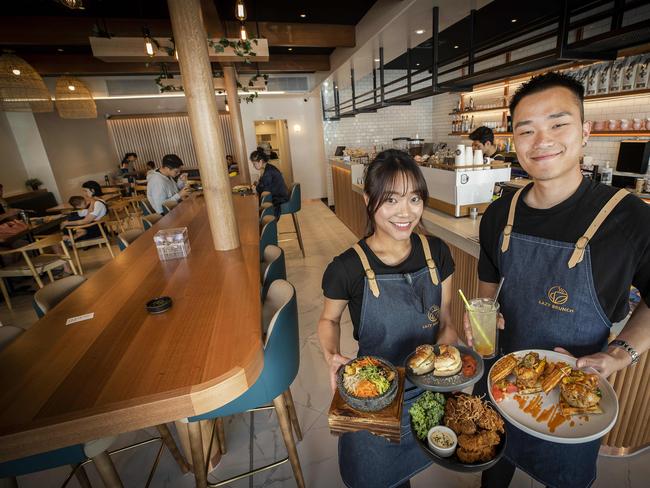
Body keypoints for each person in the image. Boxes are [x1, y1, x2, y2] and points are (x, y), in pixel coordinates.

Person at [467, 72, 650, 488]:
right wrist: (479, 319)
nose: (541, 140)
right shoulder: (501, 213)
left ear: (585, 131)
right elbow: (487, 289)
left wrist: (621, 354)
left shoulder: (629, 218)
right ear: (514, 138)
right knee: (492, 468)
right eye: (526, 130)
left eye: (557, 124)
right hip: (501, 382)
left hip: (574, 398)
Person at [318, 149, 458, 488]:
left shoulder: (437, 253)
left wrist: (447, 349)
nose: (405, 212)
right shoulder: (346, 267)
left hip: (426, 391)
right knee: (376, 478)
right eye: (391, 200)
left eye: (414, 198)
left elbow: (446, 320)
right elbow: (328, 320)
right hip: (373, 396)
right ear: (369, 199)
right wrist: (331, 354)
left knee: (406, 475)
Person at [250, 147, 289, 217]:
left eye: (254, 164)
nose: (254, 166)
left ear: (261, 161)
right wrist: (258, 185)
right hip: (280, 195)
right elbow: (265, 184)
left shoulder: (268, 171)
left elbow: (265, 190)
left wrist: (256, 188)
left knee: (257, 205)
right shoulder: (268, 167)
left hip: (280, 198)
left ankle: (265, 224)